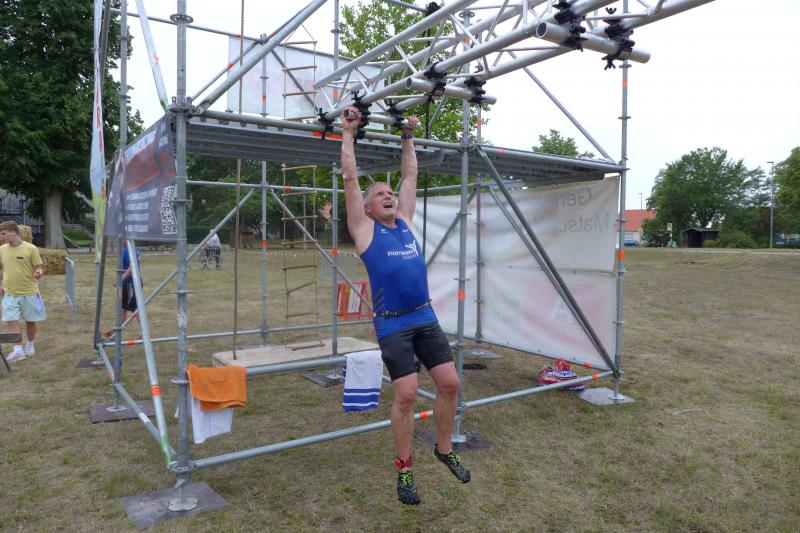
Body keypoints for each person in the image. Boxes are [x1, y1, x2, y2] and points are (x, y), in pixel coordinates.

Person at [340, 107, 470, 505]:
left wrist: (408, 135)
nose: (388, 196)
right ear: (366, 207)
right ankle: (404, 468)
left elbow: (410, 176)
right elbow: (350, 177)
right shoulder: (364, 230)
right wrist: (348, 132)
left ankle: (444, 450)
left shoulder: (406, 221)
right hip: (393, 324)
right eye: (379, 194)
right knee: (408, 394)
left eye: (390, 193)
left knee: (450, 384)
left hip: (424, 316)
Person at [0, 220, 45, 362]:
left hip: (29, 292)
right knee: (10, 320)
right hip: (9, 293)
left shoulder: (31, 248)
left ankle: (30, 344)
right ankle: (17, 350)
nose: (1, 237)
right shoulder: (2, 249)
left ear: (13, 233)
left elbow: (38, 266)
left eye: (3, 233)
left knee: (30, 321)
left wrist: (38, 272)